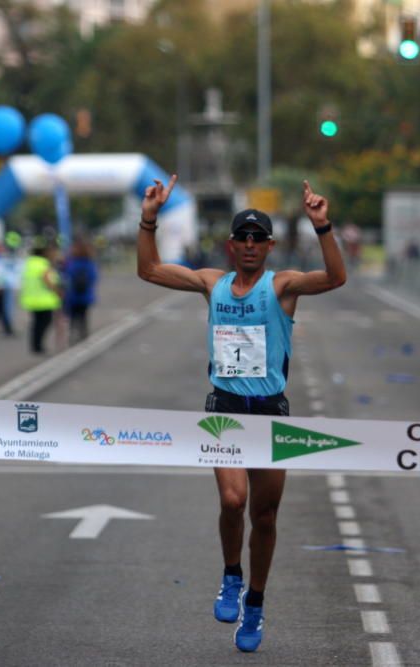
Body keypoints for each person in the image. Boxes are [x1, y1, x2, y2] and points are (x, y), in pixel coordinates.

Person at [137, 175, 346, 653]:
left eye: (259, 239)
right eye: (242, 238)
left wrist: (323, 226)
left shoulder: (284, 286)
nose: (250, 245)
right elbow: (148, 270)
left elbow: (336, 278)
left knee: (265, 516)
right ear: (231, 246)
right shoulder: (213, 284)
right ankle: (232, 575)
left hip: (271, 411)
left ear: (269, 246)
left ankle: (255, 603)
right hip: (225, 409)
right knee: (233, 502)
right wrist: (149, 217)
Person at [20, 243, 61, 354]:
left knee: (36, 323)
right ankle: (38, 346)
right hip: (44, 300)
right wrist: (58, 292)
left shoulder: (29, 264)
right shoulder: (43, 264)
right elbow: (48, 281)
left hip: (31, 300)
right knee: (44, 323)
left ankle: (35, 345)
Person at [62, 238, 99, 344]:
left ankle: (72, 337)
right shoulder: (90, 264)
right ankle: (84, 337)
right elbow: (94, 278)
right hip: (85, 295)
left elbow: (65, 277)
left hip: (72, 295)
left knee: (73, 318)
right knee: (83, 317)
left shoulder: (71, 263)